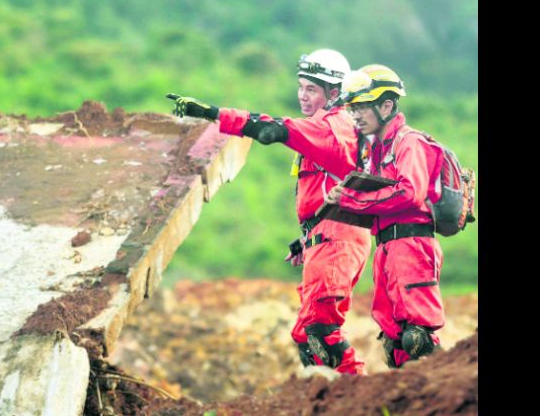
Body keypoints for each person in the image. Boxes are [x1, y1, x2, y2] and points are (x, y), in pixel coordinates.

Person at [170, 49, 372, 375]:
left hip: (339, 239)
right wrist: (307, 238)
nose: (302, 96)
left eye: (311, 90)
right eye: (301, 86)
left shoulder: (331, 127)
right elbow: (328, 190)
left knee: (321, 332)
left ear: (334, 93)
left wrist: (212, 113)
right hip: (329, 237)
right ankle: (335, 401)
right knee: (307, 336)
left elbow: (272, 128)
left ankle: (362, 401)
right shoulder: (332, 126)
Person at [325, 64, 446, 368]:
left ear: (387, 105)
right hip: (387, 248)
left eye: (362, 108)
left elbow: (409, 192)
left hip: (412, 246)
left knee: (416, 337)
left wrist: (355, 198)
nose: (354, 116)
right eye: (351, 109)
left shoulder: (409, 142)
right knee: (394, 342)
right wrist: (345, 199)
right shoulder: (379, 151)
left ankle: (447, 399)